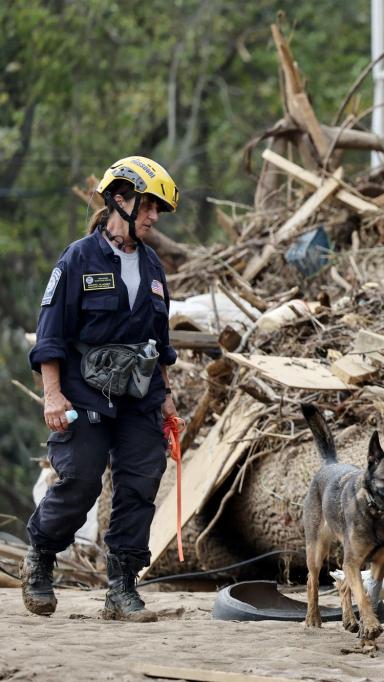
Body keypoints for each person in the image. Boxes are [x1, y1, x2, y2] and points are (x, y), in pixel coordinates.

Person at [22, 156, 181, 622]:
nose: (153, 217)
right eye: (148, 206)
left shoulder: (153, 267)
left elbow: (160, 345)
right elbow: (49, 335)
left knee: (139, 485)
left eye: (157, 210)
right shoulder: (77, 259)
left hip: (140, 399)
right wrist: (53, 396)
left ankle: (122, 588)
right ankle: (42, 556)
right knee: (82, 480)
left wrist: (167, 400)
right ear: (119, 199)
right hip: (84, 397)